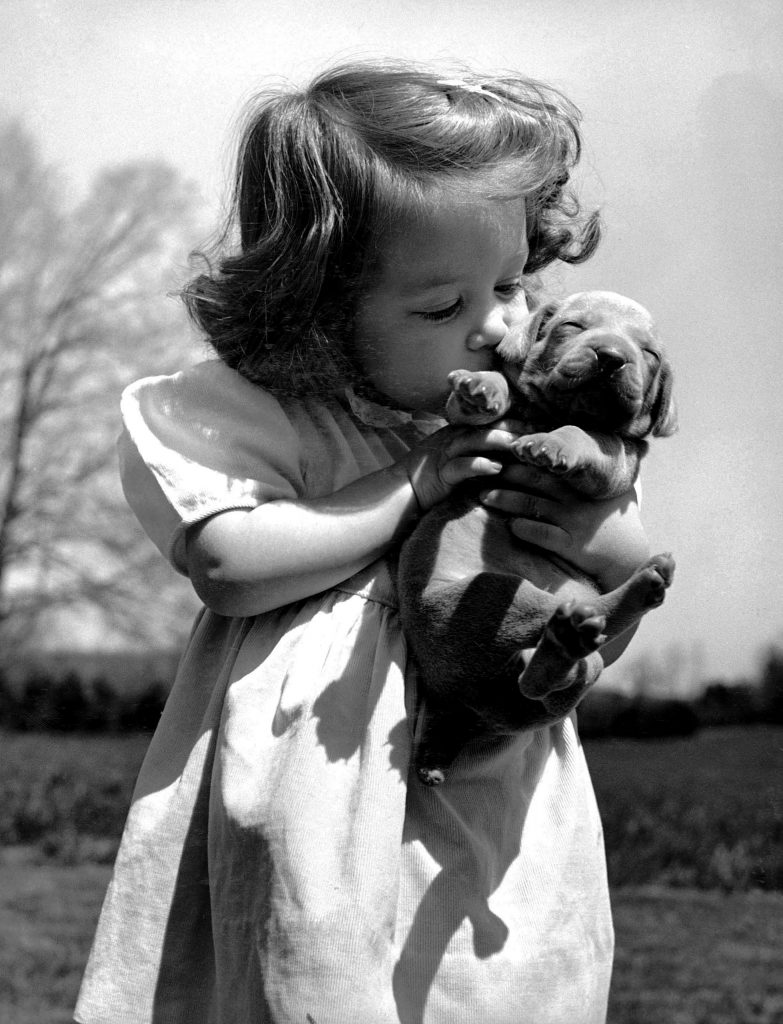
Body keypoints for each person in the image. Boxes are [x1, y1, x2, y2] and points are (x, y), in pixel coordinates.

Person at [75, 62, 650, 1024]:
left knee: (486, 985)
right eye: (440, 307)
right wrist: (409, 486)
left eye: (508, 283)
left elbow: (605, 596)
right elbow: (227, 567)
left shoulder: (531, 427)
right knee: (307, 973)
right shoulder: (278, 419)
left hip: (489, 794)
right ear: (318, 307)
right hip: (318, 792)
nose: (495, 327)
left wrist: (610, 553)